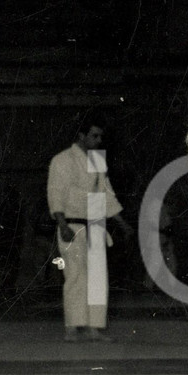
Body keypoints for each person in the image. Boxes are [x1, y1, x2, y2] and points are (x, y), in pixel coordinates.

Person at [47, 112, 134, 342]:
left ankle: (94, 328)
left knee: (97, 278)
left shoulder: (97, 161)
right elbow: (55, 193)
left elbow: (106, 195)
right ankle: (72, 328)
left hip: (96, 223)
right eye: (94, 136)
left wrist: (123, 224)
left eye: (100, 137)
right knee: (76, 275)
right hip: (71, 223)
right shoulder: (62, 160)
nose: (99, 141)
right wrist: (62, 224)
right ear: (81, 135)